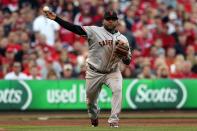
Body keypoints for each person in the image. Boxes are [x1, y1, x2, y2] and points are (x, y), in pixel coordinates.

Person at [43, 7, 131, 128]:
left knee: (118, 90)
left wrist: (125, 55)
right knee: (90, 102)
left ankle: (114, 120)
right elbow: (75, 28)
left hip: (113, 71)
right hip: (94, 72)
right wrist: (57, 19)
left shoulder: (123, 39)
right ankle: (94, 117)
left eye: (113, 19)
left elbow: (127, 62)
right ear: (103, 20)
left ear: (117, 21)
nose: (111, 21)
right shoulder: (94, 31)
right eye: (108, 19)